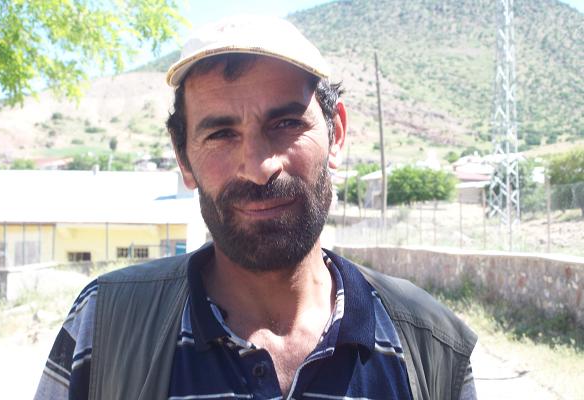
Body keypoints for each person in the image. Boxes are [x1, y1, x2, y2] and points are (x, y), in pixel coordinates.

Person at [34, 15, 477, 400]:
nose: (260, 167)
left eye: (286, 123)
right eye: (221, 134)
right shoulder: (104, 328)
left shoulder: (431, 346)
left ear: (336, 135)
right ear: (183, 157)